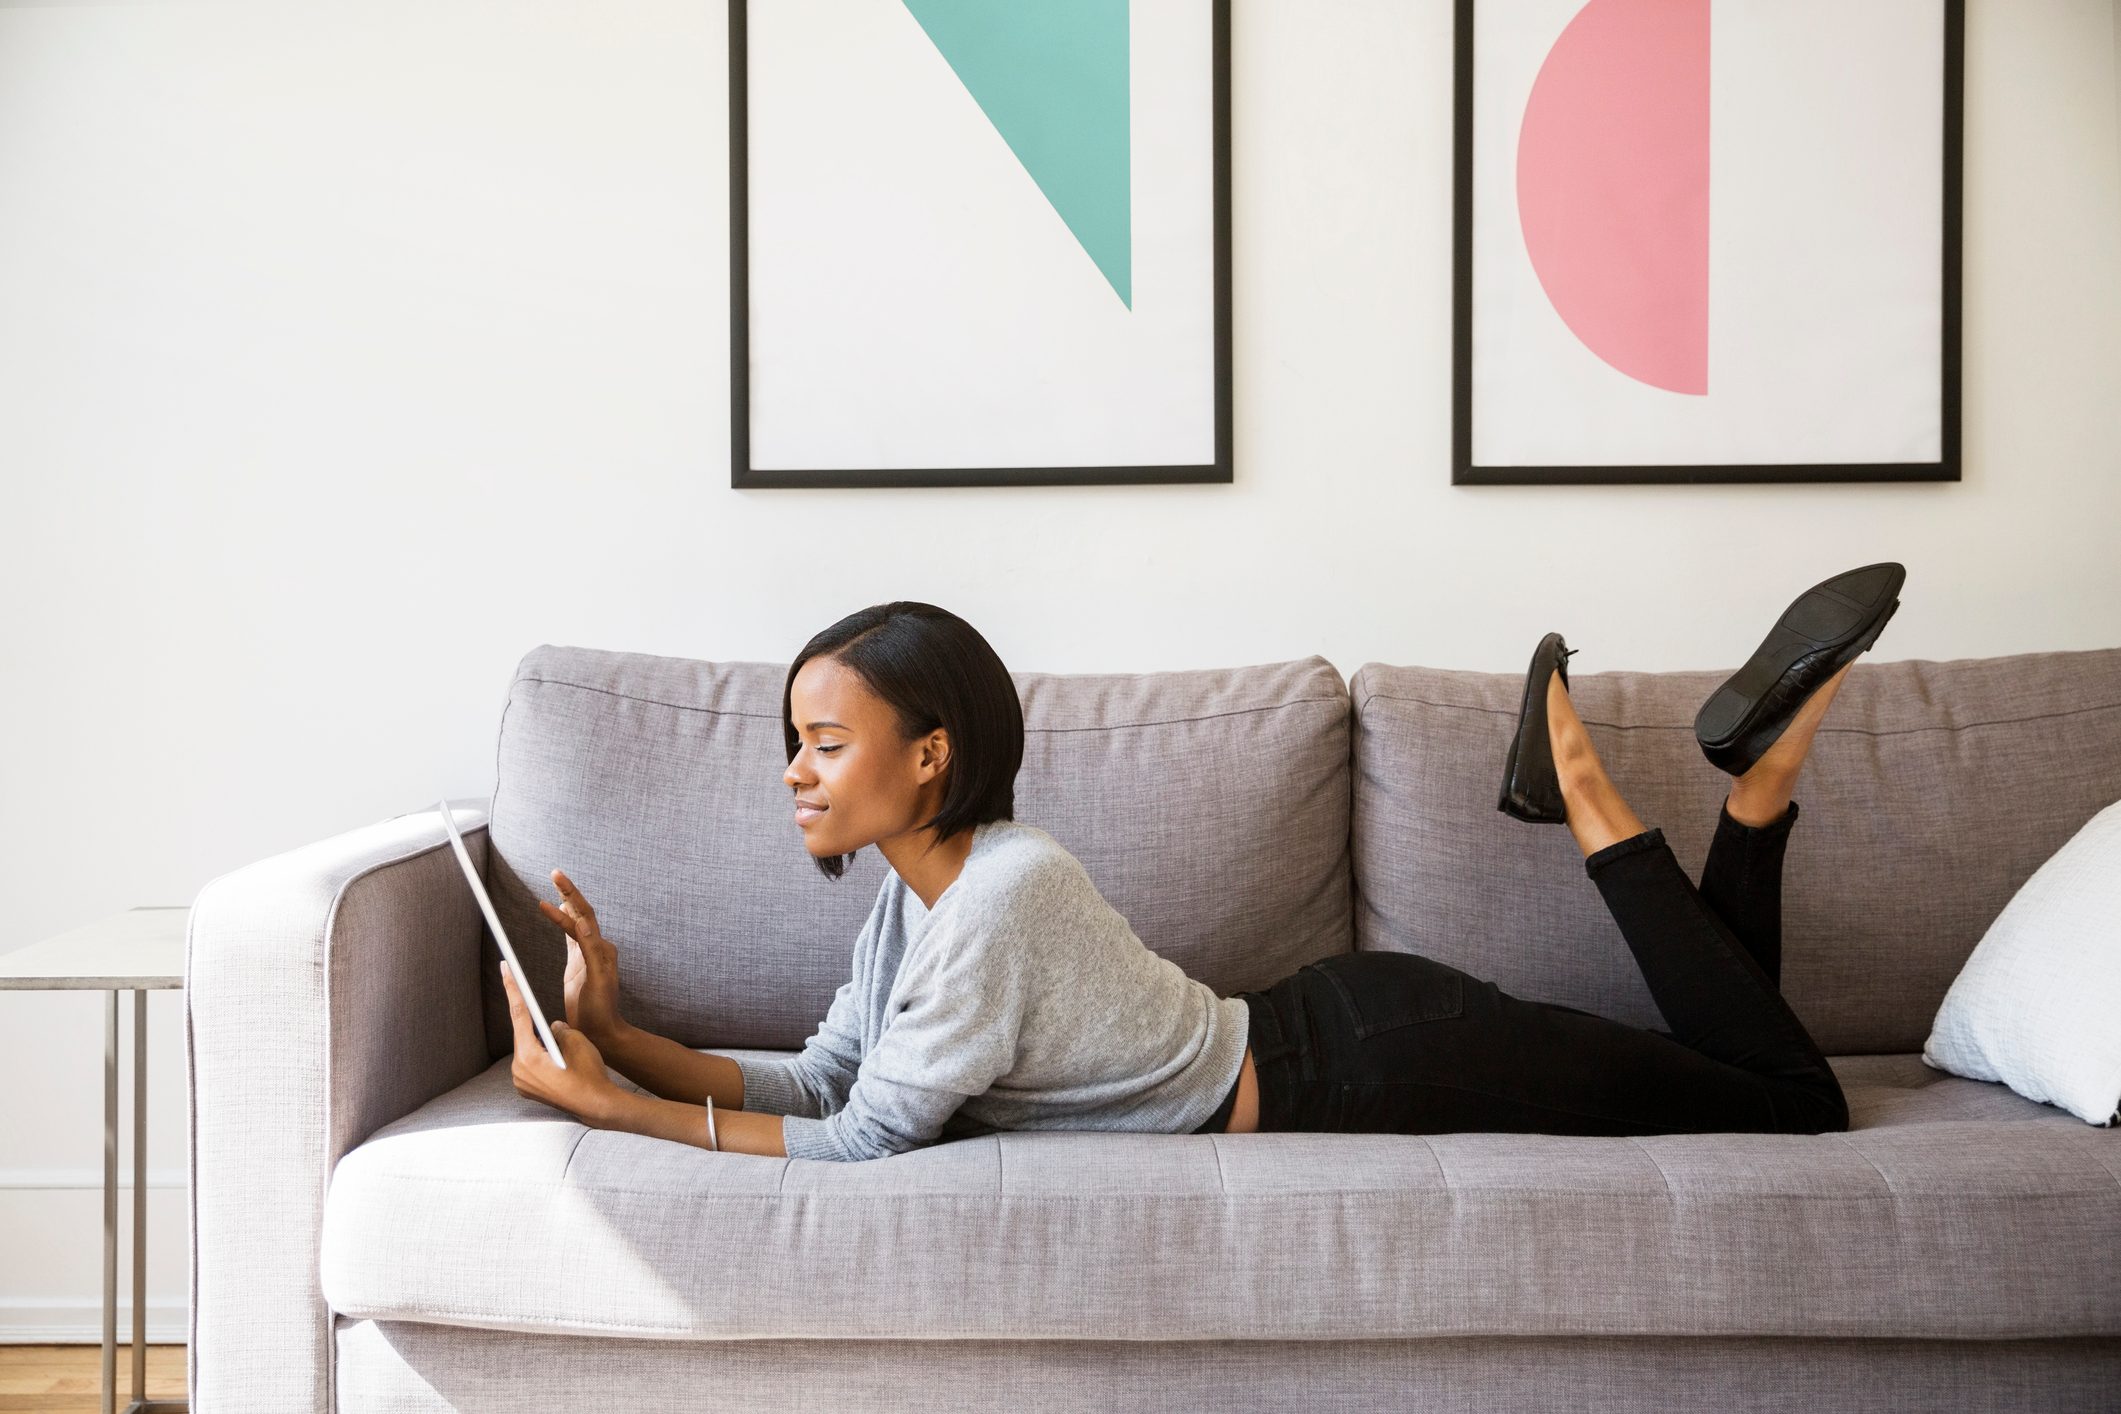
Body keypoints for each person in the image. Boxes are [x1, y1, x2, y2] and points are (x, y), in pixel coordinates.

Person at [502, 564, 1904, 1159]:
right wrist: (621, 1034)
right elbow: (823, 1081)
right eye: (790, 744)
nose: (794, 771)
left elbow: (865, 1142)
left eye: (822, 740)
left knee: (1789, 1107)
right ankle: (1757, 788)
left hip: (1372, 1062)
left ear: (929, 753)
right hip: (1346, 1030)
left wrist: (611, 1108)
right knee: (1747, 1083)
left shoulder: (1002, 891)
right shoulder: (913, 900)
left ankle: (1588, 785)